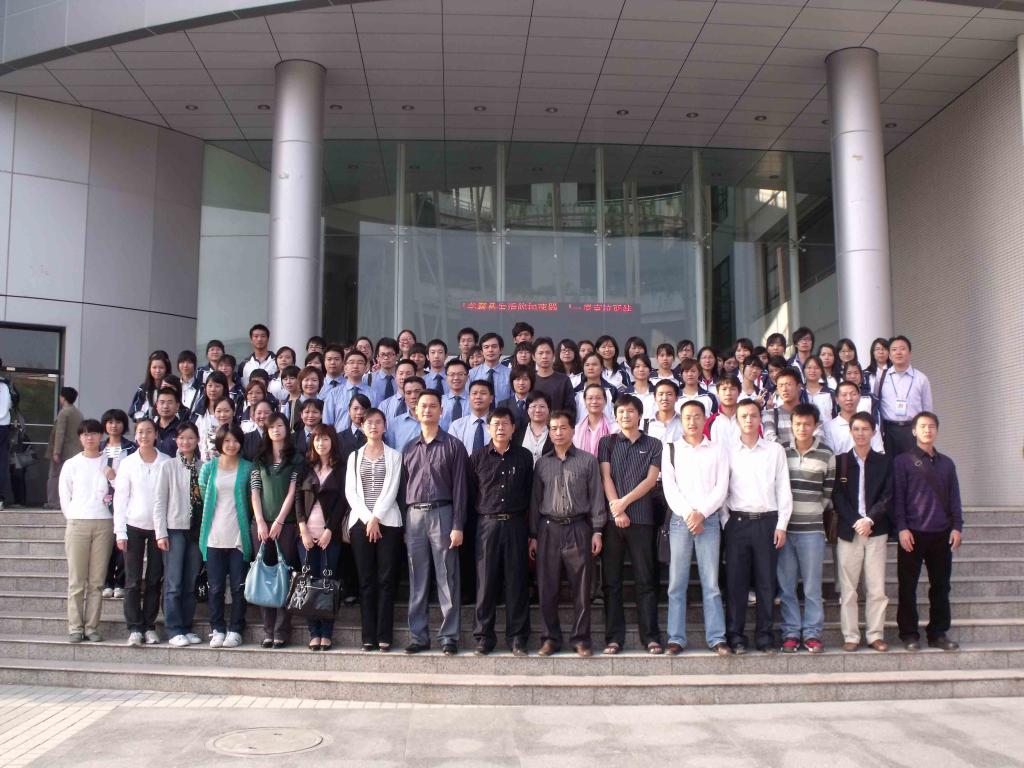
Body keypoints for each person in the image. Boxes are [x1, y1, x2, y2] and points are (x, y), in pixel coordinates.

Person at [529, 410, 605, 657]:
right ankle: (550, 638)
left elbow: (596, 497)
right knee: (547, 587)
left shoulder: (588, 461)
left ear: (573, 430)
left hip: (579, 528)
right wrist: (533, 535)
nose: (558, 433)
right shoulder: (542, 463)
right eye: (553, 428)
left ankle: (581, 639)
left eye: (563, 428)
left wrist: (597, 530)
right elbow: (535, 501)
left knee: (581, 587)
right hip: (548, 529)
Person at [402, 389, 469, 655]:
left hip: (443, 513)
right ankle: (418, 636)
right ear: (415, 411)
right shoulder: (409, 448)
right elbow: (402, 489)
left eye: (433, 406)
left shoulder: (454, 446)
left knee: (447, 577)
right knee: (417, 577)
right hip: (414, 516)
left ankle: (449, 636)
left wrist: (458, 524)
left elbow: (461, 489)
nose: (427, 410)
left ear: (442, 411)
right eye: (423, 406)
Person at [661, 400, 730, 655]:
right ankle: (676, 638)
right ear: (681, 420)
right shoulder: (671, 449)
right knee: (676, 583)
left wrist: (702, 513)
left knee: (710, 582)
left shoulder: (718, 449)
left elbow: (721, 487)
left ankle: (717, 637)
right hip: (681, 520)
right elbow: (670, 488)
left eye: (697, 416)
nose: (692, 421)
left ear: (705, 419)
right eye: (688, 417)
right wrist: (690, 514)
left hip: (709, 520)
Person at [724, 400, 792, 653]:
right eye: (744, 416)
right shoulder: (727, 451)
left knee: (766, 583)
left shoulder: (774, 450)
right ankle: (735, 636)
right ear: (737, 420)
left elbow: (783, 488)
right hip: (737, 523)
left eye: (753, 415)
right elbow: (722, 489)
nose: (749, 420)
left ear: (760, 419)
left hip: (767, 523)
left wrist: (782, 524)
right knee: (736, 584)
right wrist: (726, 522)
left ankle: (765, 636)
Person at [598, 394, 663, 655]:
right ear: (615, 416)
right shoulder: (607, 442)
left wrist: (623, 503)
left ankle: (651, 637)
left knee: (645, 580)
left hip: (642, 519)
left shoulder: (654, 444)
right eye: (621, 412)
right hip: (613, 521)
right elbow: (605, 476)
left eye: (631, 411)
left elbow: (651, 481)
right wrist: (616, 509)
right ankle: (614, 638)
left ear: (640, 415)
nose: (626, 416)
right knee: (611, 581)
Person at [893, 411, 963, 652]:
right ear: (914, 431)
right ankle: (909, 634)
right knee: (907, 587)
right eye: (922, 426)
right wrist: (902, 528)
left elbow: (954, 498)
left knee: (941, 586)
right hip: (912, 533)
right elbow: (898, 497)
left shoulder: (947, 463)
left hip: (941, 533)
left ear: (937, 430)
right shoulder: (903, 461)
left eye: (932, 426)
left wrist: (957, 527)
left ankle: (938, 633)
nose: (927, 430)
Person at [470, 408, 533, 655]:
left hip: (516, 524)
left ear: (513, 428)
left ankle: (517, 638)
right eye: (495, 424)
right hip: (487, 525)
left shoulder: (524, 457)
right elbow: (471, 494)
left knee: (516, 581)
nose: (500, 428)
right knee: (485, 582)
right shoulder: (477, 457)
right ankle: (484, 637)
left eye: (505, 423)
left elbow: (530, 493)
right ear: (488, 428)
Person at [777, 404, 835, 654]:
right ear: (792, 425)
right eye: (798, 424)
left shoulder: (826, 454)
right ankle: (791, 632)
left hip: (812, 531)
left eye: (807, 424)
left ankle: (812, 633)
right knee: (787, 586)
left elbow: (828, 493)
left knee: (812, 587)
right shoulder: (781, 452)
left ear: (816, 426)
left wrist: (812, 512)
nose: (802, 428)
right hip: (785, 530)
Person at [833, 412, 893, 653]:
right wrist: (856, 521)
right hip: (849, 532)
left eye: (865, 429)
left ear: (874, 432)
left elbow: (888, 495)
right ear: (850, 432)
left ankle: (875, 635)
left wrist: (869, 519)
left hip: (876, 531)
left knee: (876, 587)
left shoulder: (884, 462)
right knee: (848, 589)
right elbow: (837, 497)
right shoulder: (841, 461)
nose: (860, 433)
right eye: (856, 429)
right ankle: (851, 636)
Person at [345, 408, 404, 652]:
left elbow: (392, 489)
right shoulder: (354, 457)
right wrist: (369, 519)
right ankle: (368, 636)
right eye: (369, 422)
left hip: (388, 524)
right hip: (361, 524)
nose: (373, 426)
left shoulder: (394, 456)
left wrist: (377, 517)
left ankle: (384, 636)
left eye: (378, 422)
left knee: (386, 580)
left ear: (385, 426)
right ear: (362, 426)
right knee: (366, 580)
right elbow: (351, 492)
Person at [113, 418, 170, 646]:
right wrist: (120, 531)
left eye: (148, 431)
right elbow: (120, 498)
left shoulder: (166, 462)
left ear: (156, 434)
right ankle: (135, 627)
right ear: (135, 436)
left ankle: (149, 625)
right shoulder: (128, 463)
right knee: (133, 580)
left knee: (155, 579)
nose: (144, 436)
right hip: (132, 526)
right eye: (140, 432)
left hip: (159, 529)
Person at [198, 423, 254, 649]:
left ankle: (236, 629)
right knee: (215, 587)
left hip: (239, 536)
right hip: (214, 536)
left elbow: (251, 500)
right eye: (227, 441)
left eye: (235, 440)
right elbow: (204, 495)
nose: (231, 445)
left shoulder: (248, 468)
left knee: (239, 587)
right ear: (220, 442)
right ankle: (217, 628)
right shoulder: (209, 468)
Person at [59, 419, 115, 643]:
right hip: (77, 523)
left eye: (93, 433)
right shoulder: (71, 464)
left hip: (104, 523)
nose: (89, 437)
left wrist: (113, 476)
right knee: (76, 580)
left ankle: (91, 627)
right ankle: (75, 627)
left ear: (101, 436)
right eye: (84, 434)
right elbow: (65, 495)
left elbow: (121, 489)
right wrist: (73, 516)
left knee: (97, 581)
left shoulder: (110, 461)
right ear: (80, 438)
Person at [249, 413, 302, 648]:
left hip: (286, 525)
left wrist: (279, 521)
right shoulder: (259, 459)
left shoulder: (295, 458)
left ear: (286, 429)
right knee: (264, 575)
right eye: (272, 427)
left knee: (284, 576)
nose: (276, 430)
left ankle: (281, 630)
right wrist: (261, 521)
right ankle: (268, 630)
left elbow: (292, 492)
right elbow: (255, 492)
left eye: (280, 426)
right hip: (261, 525)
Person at [154, 422, 205, 647]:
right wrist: (160, 533)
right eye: (182, 437)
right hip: (174, 529)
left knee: (190, 581)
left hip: (196, 531)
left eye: (190, 437)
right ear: (176, 440)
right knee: (173, 582)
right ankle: (173, 628)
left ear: (197, 440)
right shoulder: (168, 467)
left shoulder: (204, 467)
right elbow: (159, 502)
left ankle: (186, 626)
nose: (186, 441)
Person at [295, 424, 346, 651]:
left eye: (325, 439)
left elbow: (342, 502)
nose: (321, 443)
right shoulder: (305, 467)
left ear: (332, 442)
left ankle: (326, 633)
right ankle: (313, 633)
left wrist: (329, 531)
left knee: (327, 583)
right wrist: (303, 529)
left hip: (329, 535)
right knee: (308, 581)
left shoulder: (341, 468)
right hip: (306, 535)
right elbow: (298, 499)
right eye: (317, 439)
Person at [99, 409, 136, 598]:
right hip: (100, 500)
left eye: (118, 422)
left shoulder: (131, 448)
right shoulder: (99, 447)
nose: (114, 425)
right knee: (106, 543)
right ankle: (107, 581)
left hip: (125, 498)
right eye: (110, 422)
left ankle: (120, 581)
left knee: (122, 541)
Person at [879, 336, 933, 457]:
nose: (898, 352)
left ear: (910, 353)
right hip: (889, 432)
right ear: (889, 355)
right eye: (894, 349)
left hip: (913, 430)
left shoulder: (921, 379)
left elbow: (927, 409)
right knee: (890, 467)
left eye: (902, 349)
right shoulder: (881, 377)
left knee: (915, 465)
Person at [46, 387, 84, 509]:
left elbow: (60, 433)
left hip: (64, 452)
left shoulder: (64, 413)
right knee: (72, 479)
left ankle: (53, 502)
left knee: (55, 476)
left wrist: (56, 452)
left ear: (63, 398)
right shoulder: (78, 413)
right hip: (76, 451)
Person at [823, 381, 885, 455]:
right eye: (844, 395)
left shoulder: (871, 425)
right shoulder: (828, 428)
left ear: (859, 398)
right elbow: (829, 457)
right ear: (836, 399)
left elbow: (879, 454)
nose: (849, 398)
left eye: (853, 394)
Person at [531, 338, 576, 420]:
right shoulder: (529, 380)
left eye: (548, 353)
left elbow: (570, 409)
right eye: (540, 353)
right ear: (533, 357)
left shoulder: (564, 380)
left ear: (553, 355)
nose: (544, 356)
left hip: (557, 426)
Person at [449, 379, 494, 454]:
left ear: (491, 398)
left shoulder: (498, 426)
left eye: (483, 393)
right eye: (474, 393)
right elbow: (451, 453)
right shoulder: (456, 426)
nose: (478, 397)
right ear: (469, 397)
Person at [574, 382, 618, 455]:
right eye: (590, 398)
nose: (594, 401)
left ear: (605, 401)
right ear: (585, 401)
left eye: (598, 398)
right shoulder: (576, 431)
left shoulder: (615, 429)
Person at [762, 367, 802, 445]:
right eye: (780, 385)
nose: (784, 389)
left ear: (798, 387)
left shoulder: (811, 414)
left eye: (788, 384)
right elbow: (771, 443)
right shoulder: (770, 415)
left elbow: (818, 440)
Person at [383, 376, 424, 451]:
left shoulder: (437, 420)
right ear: (404, 397)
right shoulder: (394, 424)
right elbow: (391, 452)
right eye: (408, 393)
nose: (413, 396)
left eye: (417, 391)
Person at [573, 353, 617, 422]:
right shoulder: (576, 392)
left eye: (594, 364)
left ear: (602, 367)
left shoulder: (612, 390)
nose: (590, 368)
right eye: (587, 365)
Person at [469, 332, 512, 402]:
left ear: (501, 350)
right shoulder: (472, 374)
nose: (490, 350)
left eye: (494, 346)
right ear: (482, 351)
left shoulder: (510, 374)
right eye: (486, 347)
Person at [514, 391, 554, 465]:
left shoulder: (555, 433)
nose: (538, 410)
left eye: (542, 406)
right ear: (527, 410)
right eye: (533, 406)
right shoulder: (517, 434)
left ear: (549, 410)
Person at [129, 352, 170, 422]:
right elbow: (134, 410)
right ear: (149, 369)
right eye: (154, 367)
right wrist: (140, 418)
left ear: (166, 369)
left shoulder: (172, 386)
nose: (157, 371)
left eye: (161, 367)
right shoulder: (143, 388)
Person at [704, 377, 741, 446]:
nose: (728, 393)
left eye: (732, 389)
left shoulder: (748, 419)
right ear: (717, 393)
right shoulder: (710, 422)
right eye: (724, 389)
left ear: (739, 392)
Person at [644, 379, 683, 443]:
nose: (664, 398)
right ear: (655, 398)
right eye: (661, 394)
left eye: (669, 394)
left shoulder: (683, 422)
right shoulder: (646, 423)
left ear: (676, 398)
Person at [498, 365, 533, 432]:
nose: (521, 383)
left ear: (531, 381)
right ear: (512, 382)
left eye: (525, 379)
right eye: (518, 379)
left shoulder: (536, 404)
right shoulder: (503, 404)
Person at [440, 358, 470, 431]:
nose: (456, 378)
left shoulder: (474, 401)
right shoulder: (439, 401)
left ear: (467, 377)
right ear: (446, 377)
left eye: (460, 374)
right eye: (452, 374)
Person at [624, 354, 656, 420]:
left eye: (645, 366)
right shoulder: (625, 394)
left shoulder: (657, 392)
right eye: (637, 366)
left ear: (650, 370)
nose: (641, 369)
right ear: (632, 370)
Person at [369, 337, 401, 403]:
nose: (386, 358)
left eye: (390, 354)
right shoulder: (368, 379)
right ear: (377, 357)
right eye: (383, 354)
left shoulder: (403, 378)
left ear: (397, 356)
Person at [153, 387, 183, 456]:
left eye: (170, 402)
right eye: (162, 402)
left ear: (177, 406)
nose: (165, 406)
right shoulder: (151, 429)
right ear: (156, 405)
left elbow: (189, 457)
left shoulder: (183, 430)